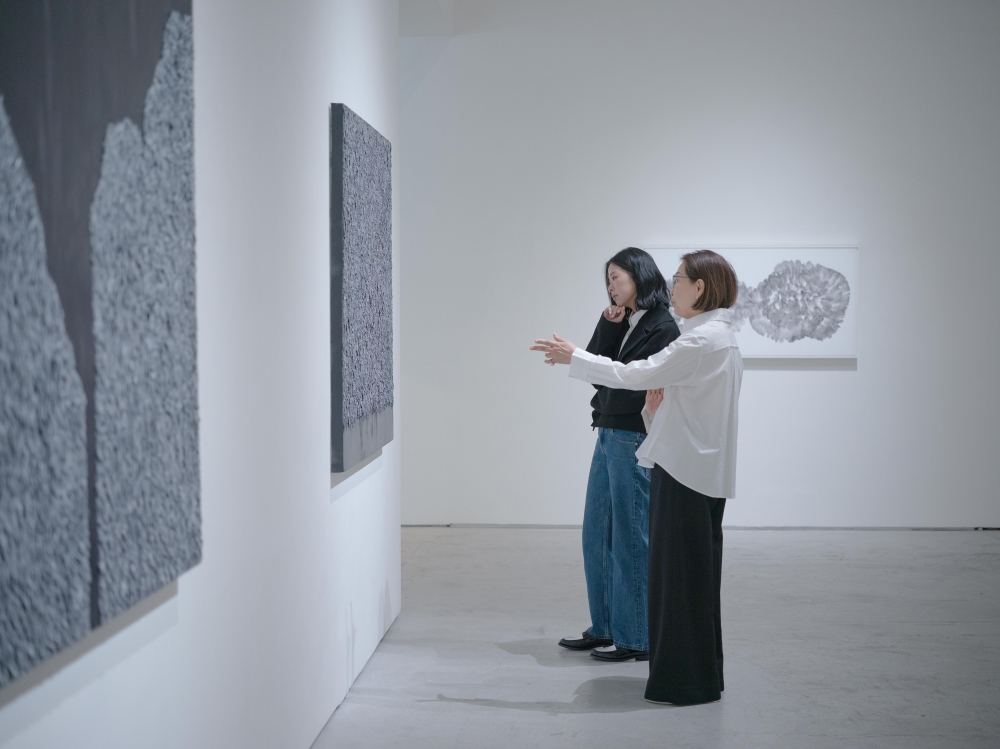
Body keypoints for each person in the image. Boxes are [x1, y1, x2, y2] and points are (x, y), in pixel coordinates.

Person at [531, 250, 742, 706]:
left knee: (675, 579)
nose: (673, 288)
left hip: (684, 471)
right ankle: (698, 679)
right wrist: (652, 411)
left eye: (680, 279)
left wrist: (575, 357)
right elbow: (680, 405)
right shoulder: (718, 339)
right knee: (691, 582)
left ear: (700, 287)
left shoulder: (698, 342)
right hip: (693, 468)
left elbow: (632, 374)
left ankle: (683, 682)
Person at [555, 248, 680, 663]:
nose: (610, 286)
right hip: (608, 432)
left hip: (631, 437)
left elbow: (628, 382)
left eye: (616, 278)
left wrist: (601, 358)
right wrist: (607, 326)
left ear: (640, 278)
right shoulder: (626, 322)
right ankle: (605, 627)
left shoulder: (663, 327)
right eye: (607, 279)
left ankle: (637, 637)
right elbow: (596, 372)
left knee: (629, 538)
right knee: (597, 533)